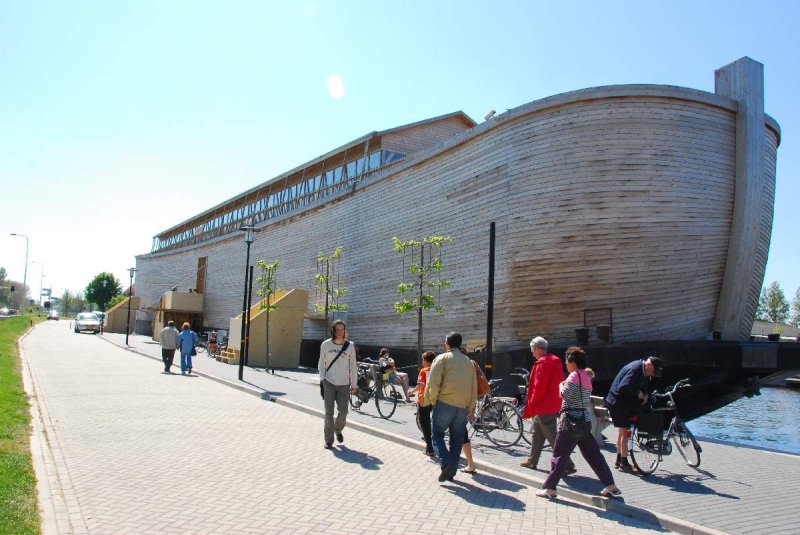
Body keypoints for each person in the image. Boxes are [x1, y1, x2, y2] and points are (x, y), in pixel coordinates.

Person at [537, 347, 622, 499]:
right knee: (594, 455)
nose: (566, 364)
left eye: (567, 361)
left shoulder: (573, 376)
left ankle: (550, 489)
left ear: (573, 362)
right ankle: (611, 486)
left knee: (559, 455)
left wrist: (560, 385)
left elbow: (566, 395)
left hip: (569, 422)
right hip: (584, 421)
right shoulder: (587, 377)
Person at [425, 332, 477, 483]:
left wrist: (432, 400)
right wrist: (470, 408)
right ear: (460, 345)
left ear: (446, 343)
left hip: (444, 403)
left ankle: (446, 461)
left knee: (437, 434)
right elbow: (473, 387)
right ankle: (451, 472)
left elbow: (433, 382)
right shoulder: (468, 362)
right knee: (457, 440)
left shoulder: (441, 359)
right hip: (462, 406)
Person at [519, 337, 576, 475]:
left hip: (543, 405)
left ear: (538, 349)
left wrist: (531, 401)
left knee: (552, 436)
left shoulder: (542, 364)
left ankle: (567, 464)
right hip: (553, 402)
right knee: (537, 433)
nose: (532, 353)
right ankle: (532, 461)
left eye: (533, 350)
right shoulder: (554, 362)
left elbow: (539, 386)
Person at [605, 355, 664, 472]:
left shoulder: (640, 368)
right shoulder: (635, 370)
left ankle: (618, 460)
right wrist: (639, 394)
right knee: (626, 431)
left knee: (622, 432)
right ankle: (624, 463)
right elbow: (623, 387)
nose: (652, 375)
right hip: (618, 404)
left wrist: (645, 394)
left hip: (615, 402)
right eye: (653, 371)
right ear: (649, 365)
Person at [318, 320, 358, 449]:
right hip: (329, 382)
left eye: (342, 329)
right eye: (338, 330)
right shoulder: (326, 345)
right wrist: (323, 378)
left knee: (344, 412)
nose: (340, 332)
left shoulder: (350, 346)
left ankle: (338, 429)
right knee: (328, 413)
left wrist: (354, 384)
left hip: (344, 384)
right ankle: (328, 441)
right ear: (333, 330)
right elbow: (321, 363)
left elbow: (353, 365)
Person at [408, 351, 436, 456]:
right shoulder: (437, 370)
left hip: (424, 399)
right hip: (435, 398)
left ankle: (429, 448)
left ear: (425, 360)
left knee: (425, 423)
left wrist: (410, 392)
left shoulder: (423, 371)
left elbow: (420, 386)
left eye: (422, 360)